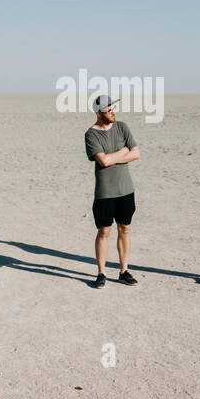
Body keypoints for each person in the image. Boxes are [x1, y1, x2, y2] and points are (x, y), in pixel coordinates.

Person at [84, 95, 140, 288]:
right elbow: (103, 161)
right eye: (109, 110)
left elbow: (136, 153)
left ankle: (124, 271)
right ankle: (101, 273)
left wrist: (118, 155)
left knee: (124, 228)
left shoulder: (122, 127)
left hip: (125, 189)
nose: (113, 112)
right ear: (98, 113)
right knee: (104, 231)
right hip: (105, 192)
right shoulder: (91, 135)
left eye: (113, 108)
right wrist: (123, 152)